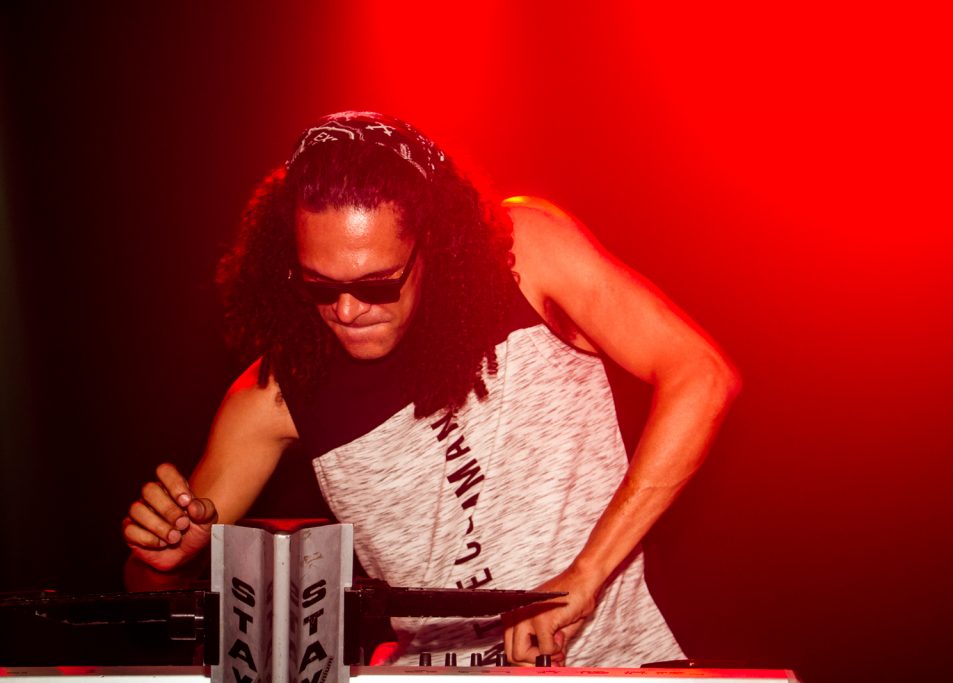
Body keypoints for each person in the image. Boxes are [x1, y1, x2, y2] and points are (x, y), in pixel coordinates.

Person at [122, 111, 739, 667]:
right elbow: (147, 588)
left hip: (627, 662)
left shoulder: (526, 256)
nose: (347, 310)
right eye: (319, 286)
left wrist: (586, 574)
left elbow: (701, 376)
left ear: (433, 243)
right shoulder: (273, 396)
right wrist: (162, 560)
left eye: (378, 284)